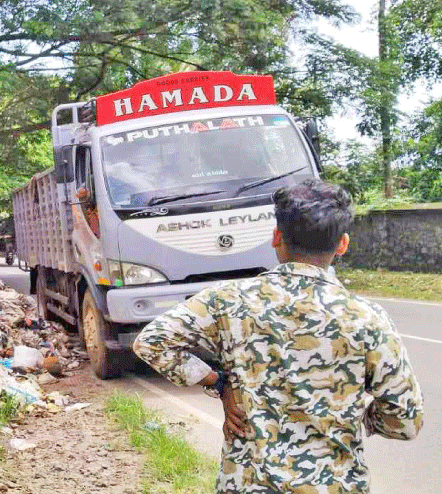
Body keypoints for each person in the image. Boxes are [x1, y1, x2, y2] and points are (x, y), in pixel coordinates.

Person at [133, 179, 423, 493]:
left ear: (276, 238)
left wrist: (217, 383)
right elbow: (405, 420)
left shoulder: (227, 301)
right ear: (342, 244)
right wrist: (358, 418)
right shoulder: (367, 318)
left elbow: (151, 341)